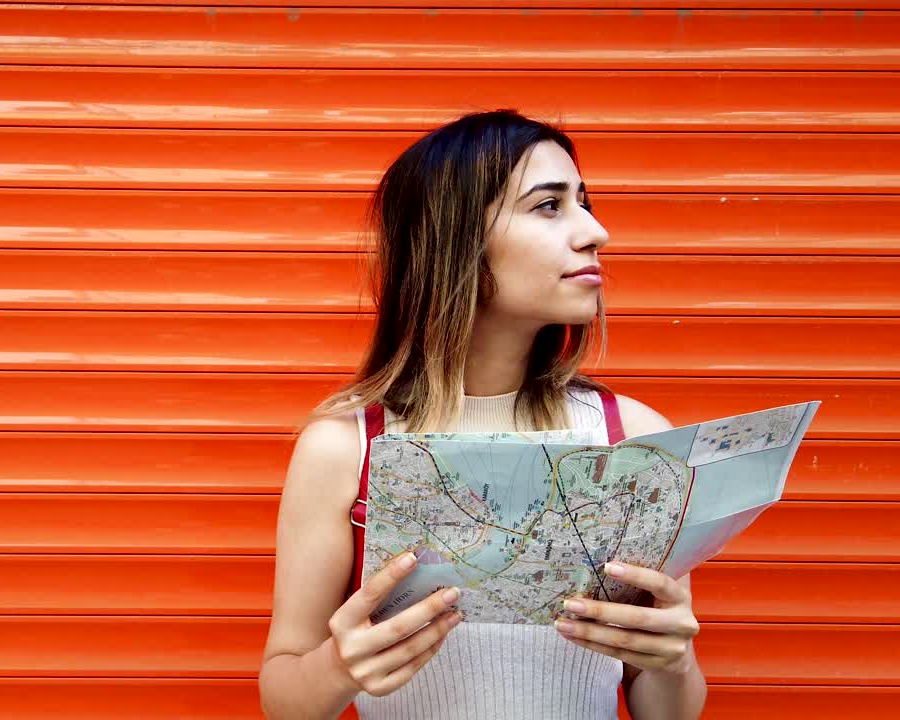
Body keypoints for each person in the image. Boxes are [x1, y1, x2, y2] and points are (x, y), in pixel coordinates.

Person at [258, 110, 707, 719]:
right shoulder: (345, 446)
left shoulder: (634, 438)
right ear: (456, 238)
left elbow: (668, 712)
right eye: (549, 206)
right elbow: (284, 697)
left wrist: (674, 661)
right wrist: (338, 668)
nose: (595, 231)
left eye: (585, 201)